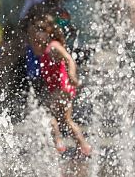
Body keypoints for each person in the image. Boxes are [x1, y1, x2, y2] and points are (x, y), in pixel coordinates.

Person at [26, 8, 92, 156]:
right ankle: (83, 147)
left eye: (39, 32)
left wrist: (72, 75)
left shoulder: (53, 46)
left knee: (51, 116)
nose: (35, 37)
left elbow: (69, 59)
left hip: (62, 89)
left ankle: (59, 143)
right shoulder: (45, 49)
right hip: (58, 89)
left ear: (48, 32)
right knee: (65, 120)